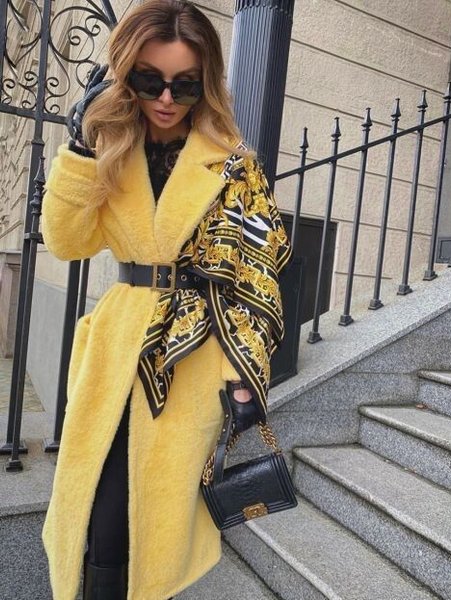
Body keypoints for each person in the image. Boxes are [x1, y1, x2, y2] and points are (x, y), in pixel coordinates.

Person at [40, 1, 292, 599]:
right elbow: (67, 242)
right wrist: (81, 146)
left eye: (185, 84)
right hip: (119, 346)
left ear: (206, 83)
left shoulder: (233, 166)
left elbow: (258, 274)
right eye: (150, 80)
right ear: (126, 73)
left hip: (194, 358)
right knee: (97, 515)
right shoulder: (109, 144)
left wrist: (243, 375)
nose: (166, 99)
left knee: (150, 522)